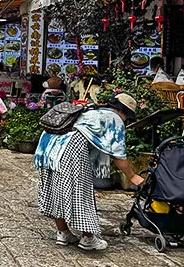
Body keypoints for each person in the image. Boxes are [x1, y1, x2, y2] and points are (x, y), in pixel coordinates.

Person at [35, 93, 145, 251]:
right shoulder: (114, 119)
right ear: (123, 112)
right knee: (82, 193)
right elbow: (118, 155)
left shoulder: (91, 110)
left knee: (56, 191)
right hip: (71, 149)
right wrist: (133, 177)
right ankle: (87, 238)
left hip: (49, 146)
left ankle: (63, 233)